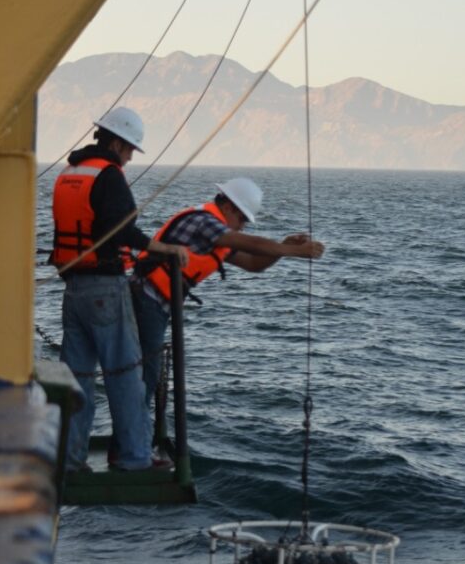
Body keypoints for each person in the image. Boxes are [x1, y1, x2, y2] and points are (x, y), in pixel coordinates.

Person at [51, 106, 186, 471]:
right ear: (115, 142)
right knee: (126, 374)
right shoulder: (108, 176)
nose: (128, 158)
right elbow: (122, 232)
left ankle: (69, 458)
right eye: (128, 150)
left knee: (76, 379)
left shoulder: (69, 174)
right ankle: (136, 457)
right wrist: (167, 249)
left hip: (73, 289)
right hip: (105, 288)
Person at [130, 177, 325, 409]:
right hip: (146, 299)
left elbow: (253, 263)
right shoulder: (205, 222)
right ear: (229, 206)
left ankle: (132, 435)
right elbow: (247, 243)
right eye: (242, 218)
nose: (242, 225)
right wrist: (294, 250)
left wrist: (282, 248)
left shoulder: (216, 234)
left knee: (146, 375)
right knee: (146, 376)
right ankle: (132, 439)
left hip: (155, 305)